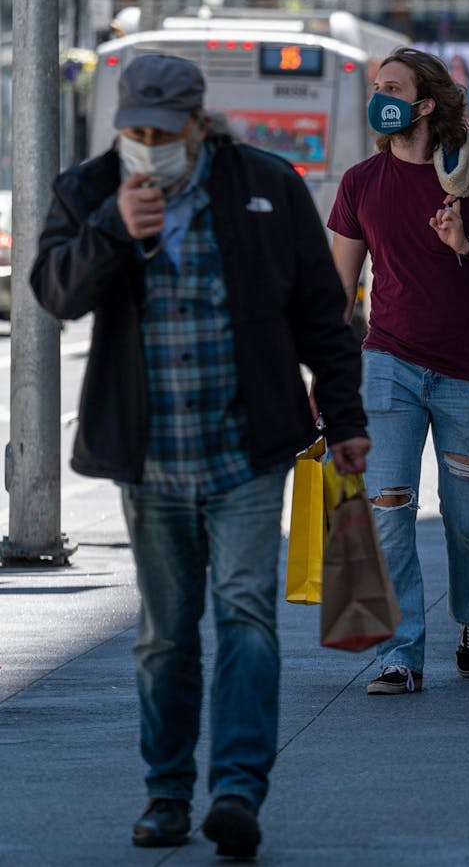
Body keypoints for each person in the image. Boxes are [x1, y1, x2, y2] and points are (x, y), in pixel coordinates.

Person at [31, 54, 368, 858]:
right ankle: (166, 792)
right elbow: (53, 290)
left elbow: (323, 309)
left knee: (247, 613)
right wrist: (113, 227)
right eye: (133, 130)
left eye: (161, 130)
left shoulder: (264, 183)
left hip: (247, 446)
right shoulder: (89, 189)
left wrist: (348, 416)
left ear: (196, 121)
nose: (147, 145)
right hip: (150, 457)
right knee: (165, 633)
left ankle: (239, 790)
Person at [327, 48, 469, 696]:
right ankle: (401, 652)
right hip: (388, 364)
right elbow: (338, 288)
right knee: (388, 505)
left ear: (426, 103)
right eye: (376, 87)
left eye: (392, 87)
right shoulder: (360, 182)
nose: (380, 97)